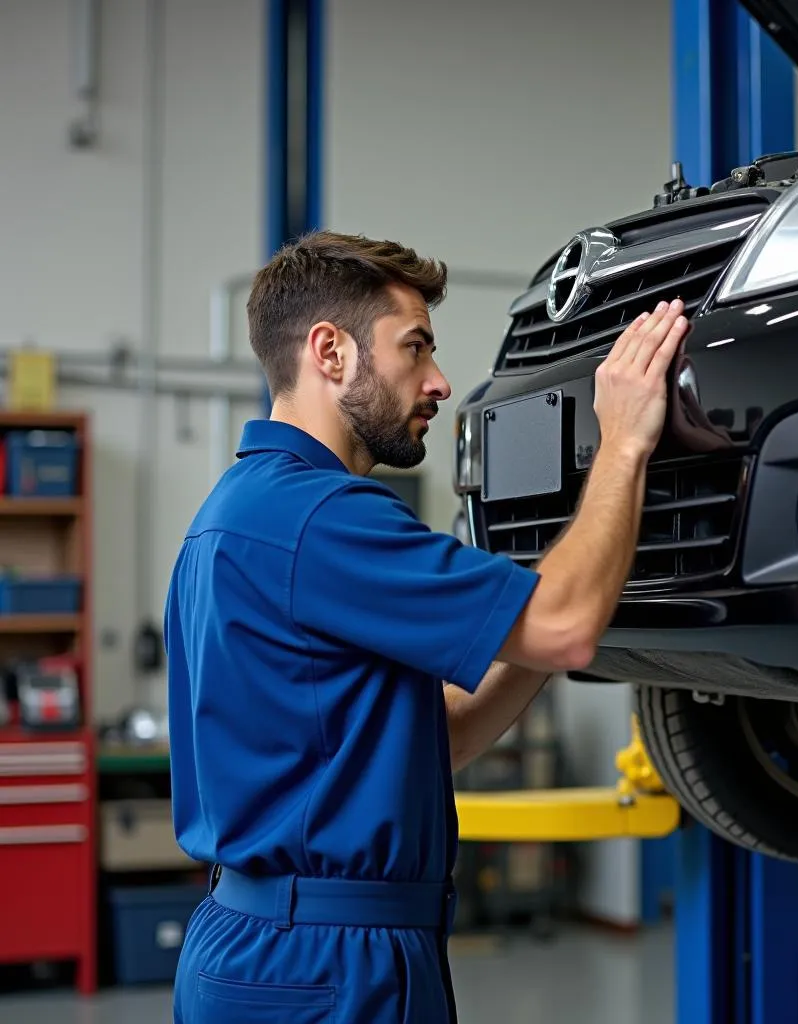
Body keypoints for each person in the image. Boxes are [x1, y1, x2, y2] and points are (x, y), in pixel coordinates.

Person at [165, 230, 690, 1024]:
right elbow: (570, 625)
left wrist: (525, 624)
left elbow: (429, 740)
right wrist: (624, 448)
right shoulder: (323, 518)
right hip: (330, 960)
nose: (440, 382)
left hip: (261, 942)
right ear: (330, 351)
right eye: (415, 348)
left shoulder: (232, 516)